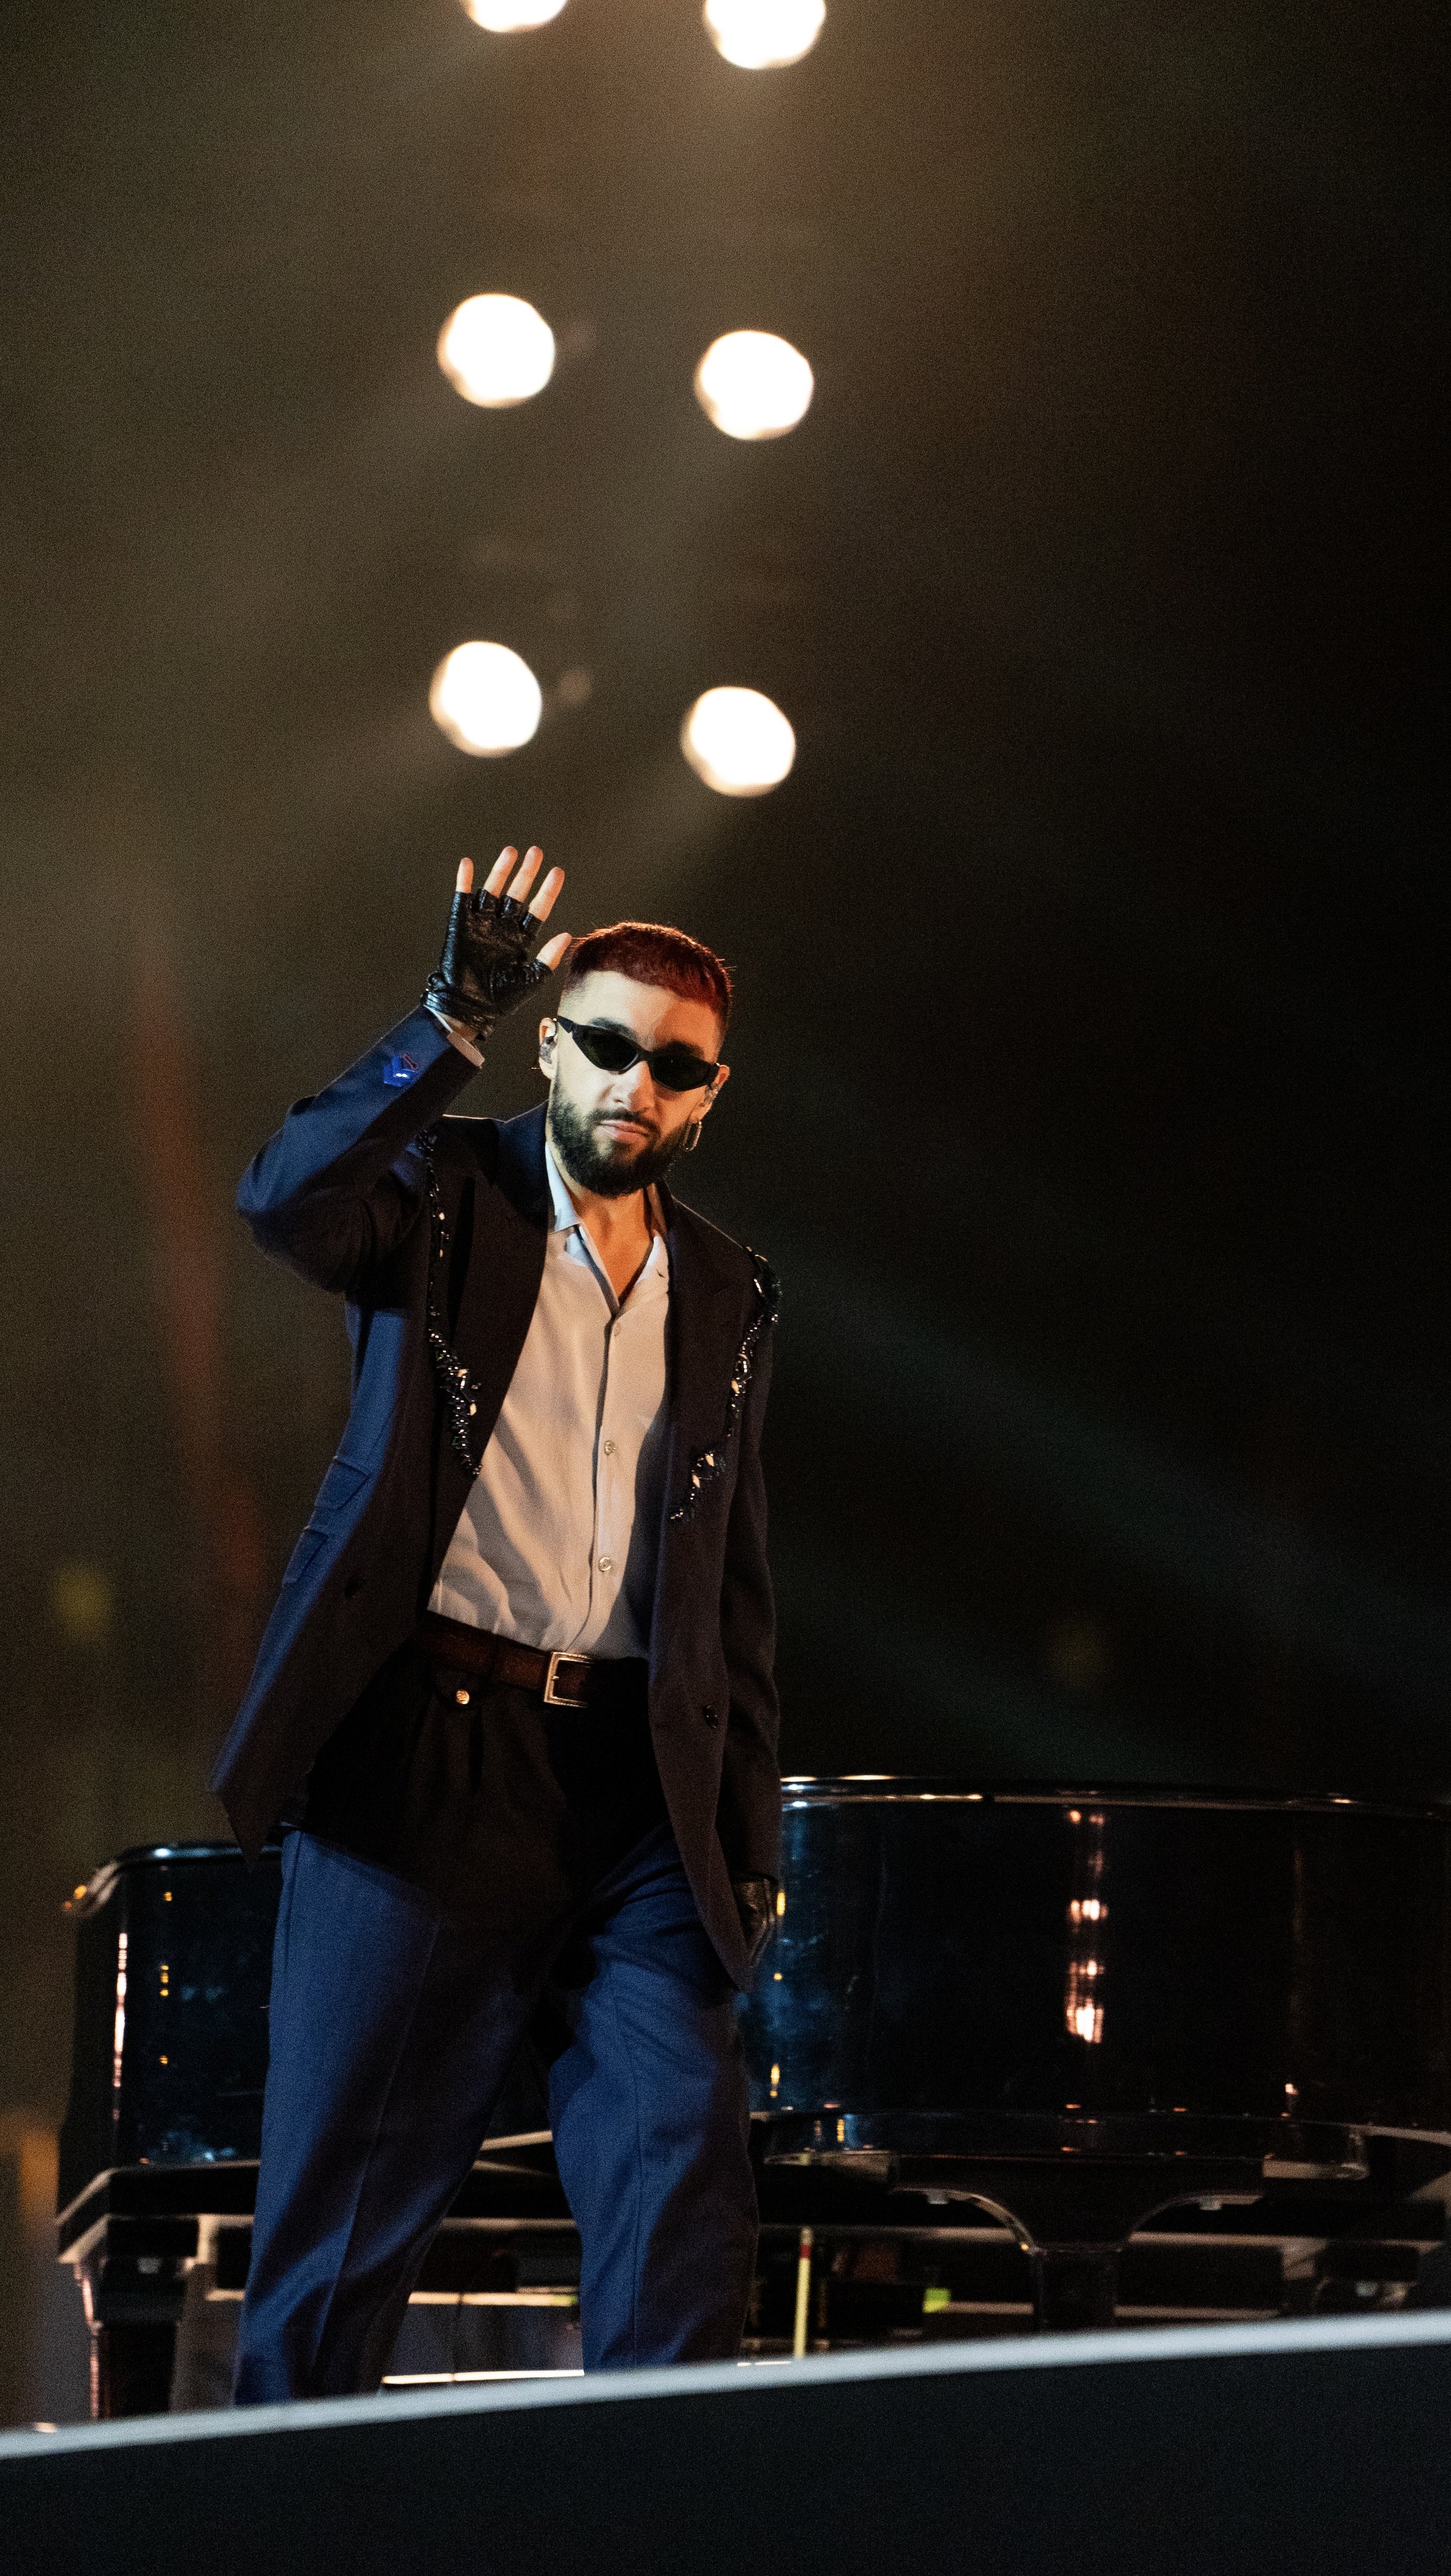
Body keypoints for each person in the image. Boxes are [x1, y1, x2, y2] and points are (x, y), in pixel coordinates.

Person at [211, 844, 781, 2399]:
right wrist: (442, 1019)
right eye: (605, 1045)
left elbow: (729, 1588)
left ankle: (651, 2526)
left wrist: (744, 1838)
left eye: (674, 1067)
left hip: (635, 1798)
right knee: (336, 2252)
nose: (634, 1087)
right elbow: (279, 1199)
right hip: (429, 1764)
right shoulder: (441, 1194)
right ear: (554, 1042)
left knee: (684, 2191)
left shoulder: (727, 1292)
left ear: (710, 1093)